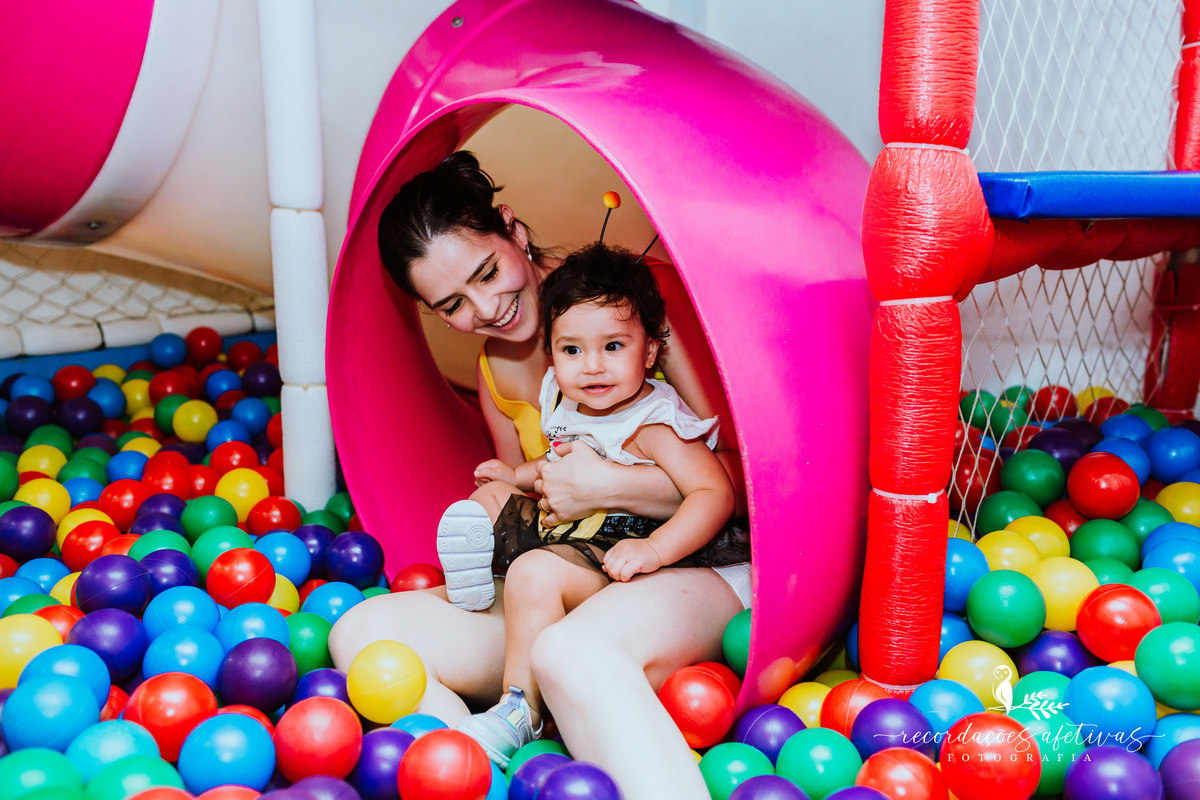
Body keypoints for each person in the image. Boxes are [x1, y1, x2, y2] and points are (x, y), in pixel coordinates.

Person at [328, 151, 750, 800]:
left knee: (568, 655)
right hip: (574, 572)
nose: (487, 308)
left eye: (488, 271)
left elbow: (750, 481)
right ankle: (491, 762)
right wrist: (502, 495)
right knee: (362, 631)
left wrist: (608, 485)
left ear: (513, 229)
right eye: (453, 304)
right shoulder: (496, 375)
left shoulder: (626, 311)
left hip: (693, 566)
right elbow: (545, 485)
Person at [436, 243, 741, 766]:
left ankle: (520, 711)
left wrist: (656, 549)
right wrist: (517, 475)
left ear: (649, 351)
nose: (592, 366)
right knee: (492, 505)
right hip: (579, 539)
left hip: (631, 558)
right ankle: (484, 584)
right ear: (551, 355)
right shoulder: (566, 402)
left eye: (614, 346)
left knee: (534, 573)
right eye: (572, 350)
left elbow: (716, 493)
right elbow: (554, 462)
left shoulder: (655, 422)